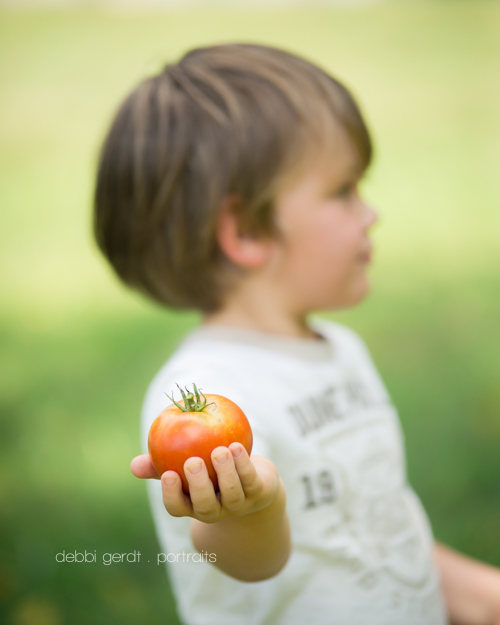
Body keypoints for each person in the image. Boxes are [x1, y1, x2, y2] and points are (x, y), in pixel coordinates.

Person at [93, 43, 500, 625]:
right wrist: (252, 511)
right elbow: (246, 561)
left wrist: (485, 597)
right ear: (248, 232)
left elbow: (371, 527)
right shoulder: (202, 400)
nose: (370, 214)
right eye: (343, 192)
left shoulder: (339, 350)